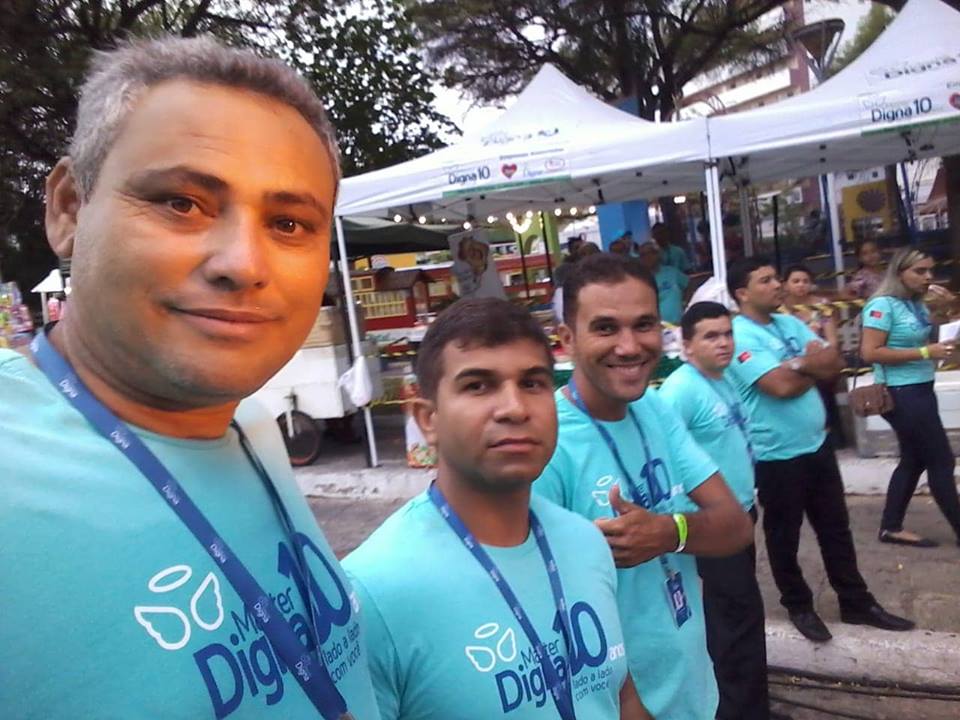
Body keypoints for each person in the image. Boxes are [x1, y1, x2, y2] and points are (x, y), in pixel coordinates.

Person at [0, 37, 381, 719]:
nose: (243, 263)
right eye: (182, 203)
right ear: (68, 208)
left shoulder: (251, 426)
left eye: (288, 222)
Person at [344, 298, 650, 720]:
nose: (515, 408)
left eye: (532, 383)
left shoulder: (585, 542)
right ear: (428, 420)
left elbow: (619, 698)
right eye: (478, 386)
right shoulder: (373, 591)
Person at [536, 253, 753, 720]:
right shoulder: (547, 443)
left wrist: (669, 532)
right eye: (606, 328)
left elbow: (736, 526)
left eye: (644, 325)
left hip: (694, 690)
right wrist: (629, 706)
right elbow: (544, 617)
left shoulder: (653, 408)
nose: (630, 346)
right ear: (567, 339)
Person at [726, 256, 914, 644]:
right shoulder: (740, 336)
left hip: (817, 445)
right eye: (766, 280)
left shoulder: (788, 322)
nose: (777, 285)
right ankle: (798, 604)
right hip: (776, 455)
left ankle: (855, 601)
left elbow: (834, 362)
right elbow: (779, 386)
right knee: (784, 536)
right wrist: (810, 364)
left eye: (777, 277)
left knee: (835, 528)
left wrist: (801, 365)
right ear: (742, 293)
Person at [659, 302, 772, 720]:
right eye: (711, 336)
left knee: (741, 618)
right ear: (687, 345)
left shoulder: (723, 379)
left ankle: (752, 706)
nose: (724, 343)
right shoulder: (680, 390)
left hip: (740, 514)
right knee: (734, 623)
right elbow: (664, 458)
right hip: (710, 527)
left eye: (727, 333)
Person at [860, 248, 960, 547]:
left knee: (914, 460)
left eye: (930, 270)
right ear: (899, 272)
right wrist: (925, 352)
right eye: (919, 271)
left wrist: (948, 309)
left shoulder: (914, 304)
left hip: (921, 388)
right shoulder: (881, 305)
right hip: (901, 392)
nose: (928, 277)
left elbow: (935, 337)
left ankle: (891, 527)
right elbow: (870, 352)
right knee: (941, 460)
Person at [781, 264, 845, 445]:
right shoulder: (778, 309)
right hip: (790, 363)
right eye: (795, 281)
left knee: (824, 390)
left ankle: (832, 437)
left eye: (805, 281)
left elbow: (833, 340)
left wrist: (819, 356)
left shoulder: (822, 306)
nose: (801, 285)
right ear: (785, 285)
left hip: (820, 360)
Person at [636, 240, 689, 325]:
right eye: (643, 255)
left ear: (657, 254)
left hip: (679, 323)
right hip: (657, 326)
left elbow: (688, 285)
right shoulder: (639, 279)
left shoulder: (672, 272)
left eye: (651, 253)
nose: (647, 257)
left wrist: (685, 303)